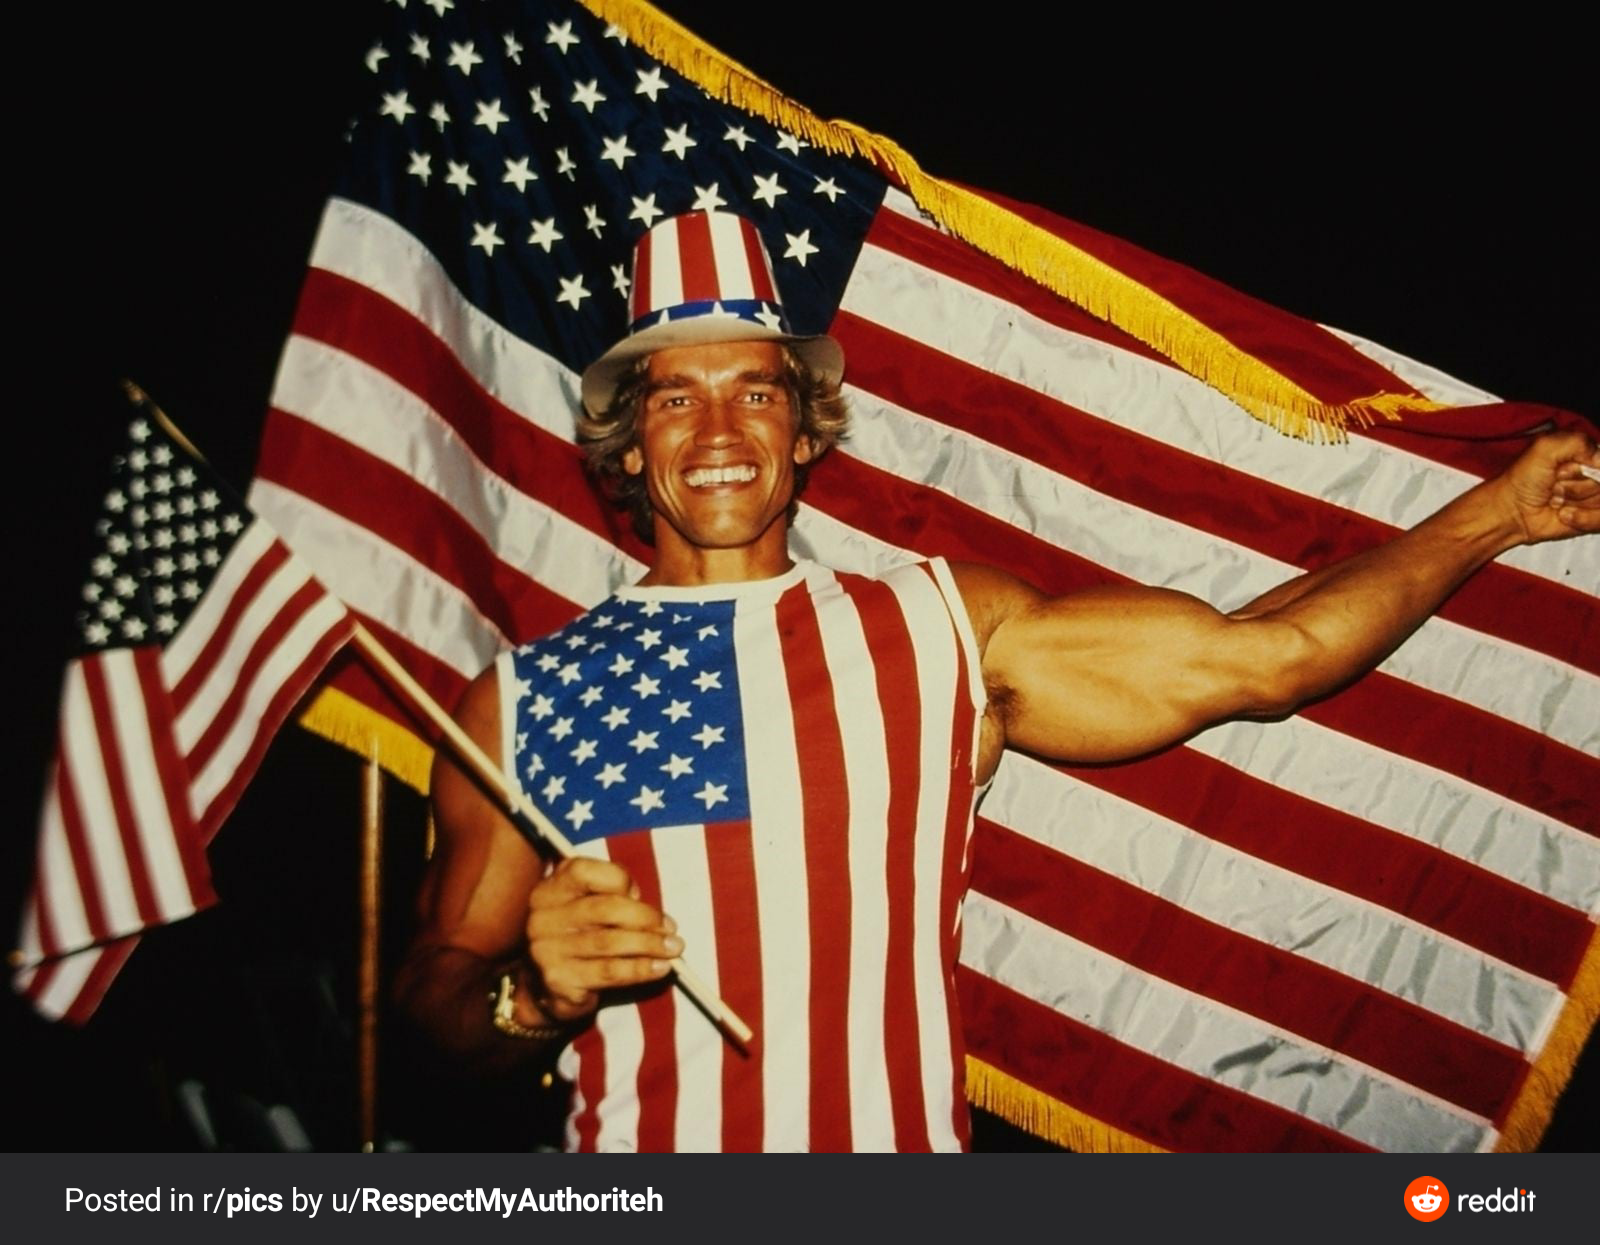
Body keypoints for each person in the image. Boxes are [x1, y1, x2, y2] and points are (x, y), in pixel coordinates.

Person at [395, 210, 1599, 1152]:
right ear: (631, 439)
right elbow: (431, 1002)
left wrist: (1495, 510)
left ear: (806, 429)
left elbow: (1266, 655)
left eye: (754, 388)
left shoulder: (935, 626)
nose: (719, 427)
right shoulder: (524, 697)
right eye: (675, 394)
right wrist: (529, 1000)